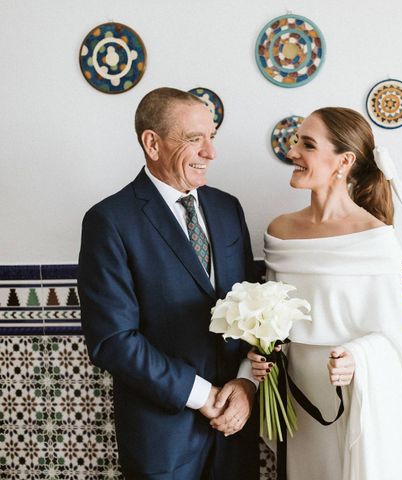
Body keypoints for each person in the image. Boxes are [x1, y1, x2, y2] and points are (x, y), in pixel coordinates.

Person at [78, 87, 259, 480]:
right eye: (195, 140)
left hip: (235, 429)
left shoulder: (228, 208)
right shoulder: (109, 221)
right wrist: (202, 395)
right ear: (152, 143)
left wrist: (246, 385)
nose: (211, 153)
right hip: (162, 438)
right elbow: (112, 340)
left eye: (212, 138)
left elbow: (255, 312)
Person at [249, 107, 402, 479]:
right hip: (295, 402)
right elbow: (273, 318)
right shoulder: (279, 232)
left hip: (351, 399)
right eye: (296, 141)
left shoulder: (376, 239)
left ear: (344, 161)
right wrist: (262, 356)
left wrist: (359, 359)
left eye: (306, 144)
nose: (292, 152)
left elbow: (395, 343)